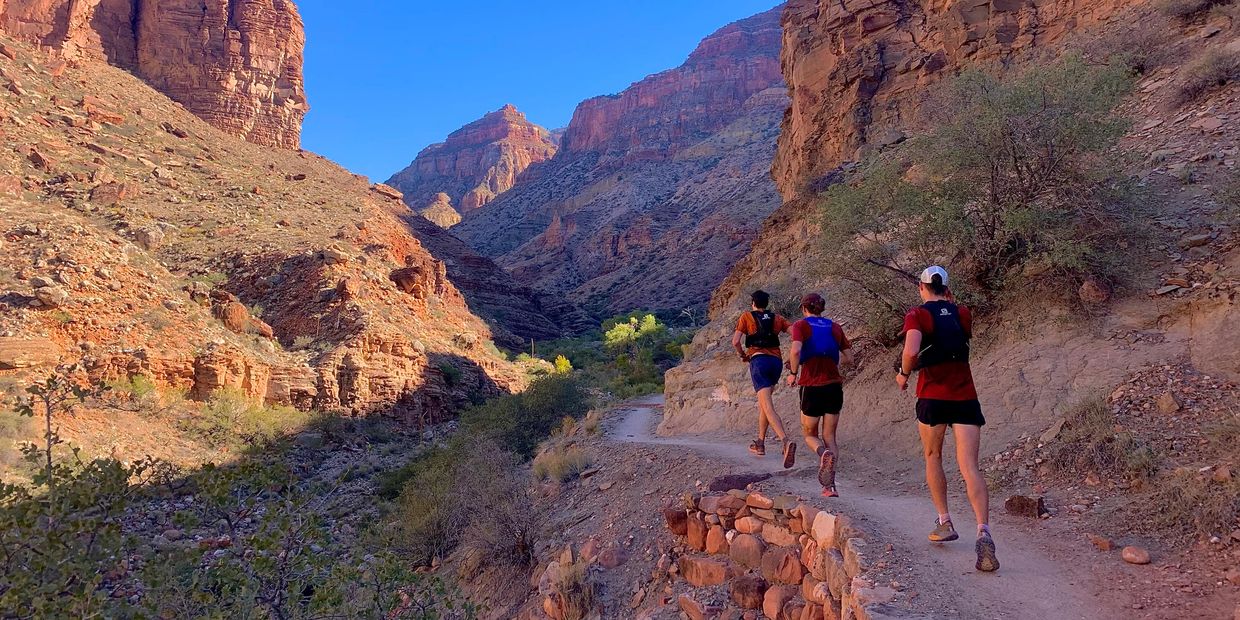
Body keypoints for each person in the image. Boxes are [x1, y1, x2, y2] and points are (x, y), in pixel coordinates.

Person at [895, 266, 999, 572]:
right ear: (947, 288)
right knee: (970, 467)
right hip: (965, 396)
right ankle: (983, 531)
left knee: (933, 456)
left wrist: (903, 375)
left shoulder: (917, 314)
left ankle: (944, 522)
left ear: (921, 287)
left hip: (933, 396)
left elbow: (912, 349)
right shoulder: (962, 313)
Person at [785, 293, 852, 497]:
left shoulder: (801, 325)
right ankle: (829, 487)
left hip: (811, 385)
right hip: (833, 386)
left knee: (809, 435)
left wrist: (793, 373)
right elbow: (850, 357)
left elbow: (796, 351)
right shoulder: (834, 327)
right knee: (830, 436)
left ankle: (824, 454)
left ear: (804, 308)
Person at [732, 290, 795, 468]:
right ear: (767, 303)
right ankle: (760, 442)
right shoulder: (777, 318)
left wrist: (743, 355)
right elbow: (795, 333)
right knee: (764, 404)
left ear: (753, 302)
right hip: (776, 363)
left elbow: (735, 341)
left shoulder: (746, 317)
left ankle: (785, 441)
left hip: (758, 361)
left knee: (767, 406)